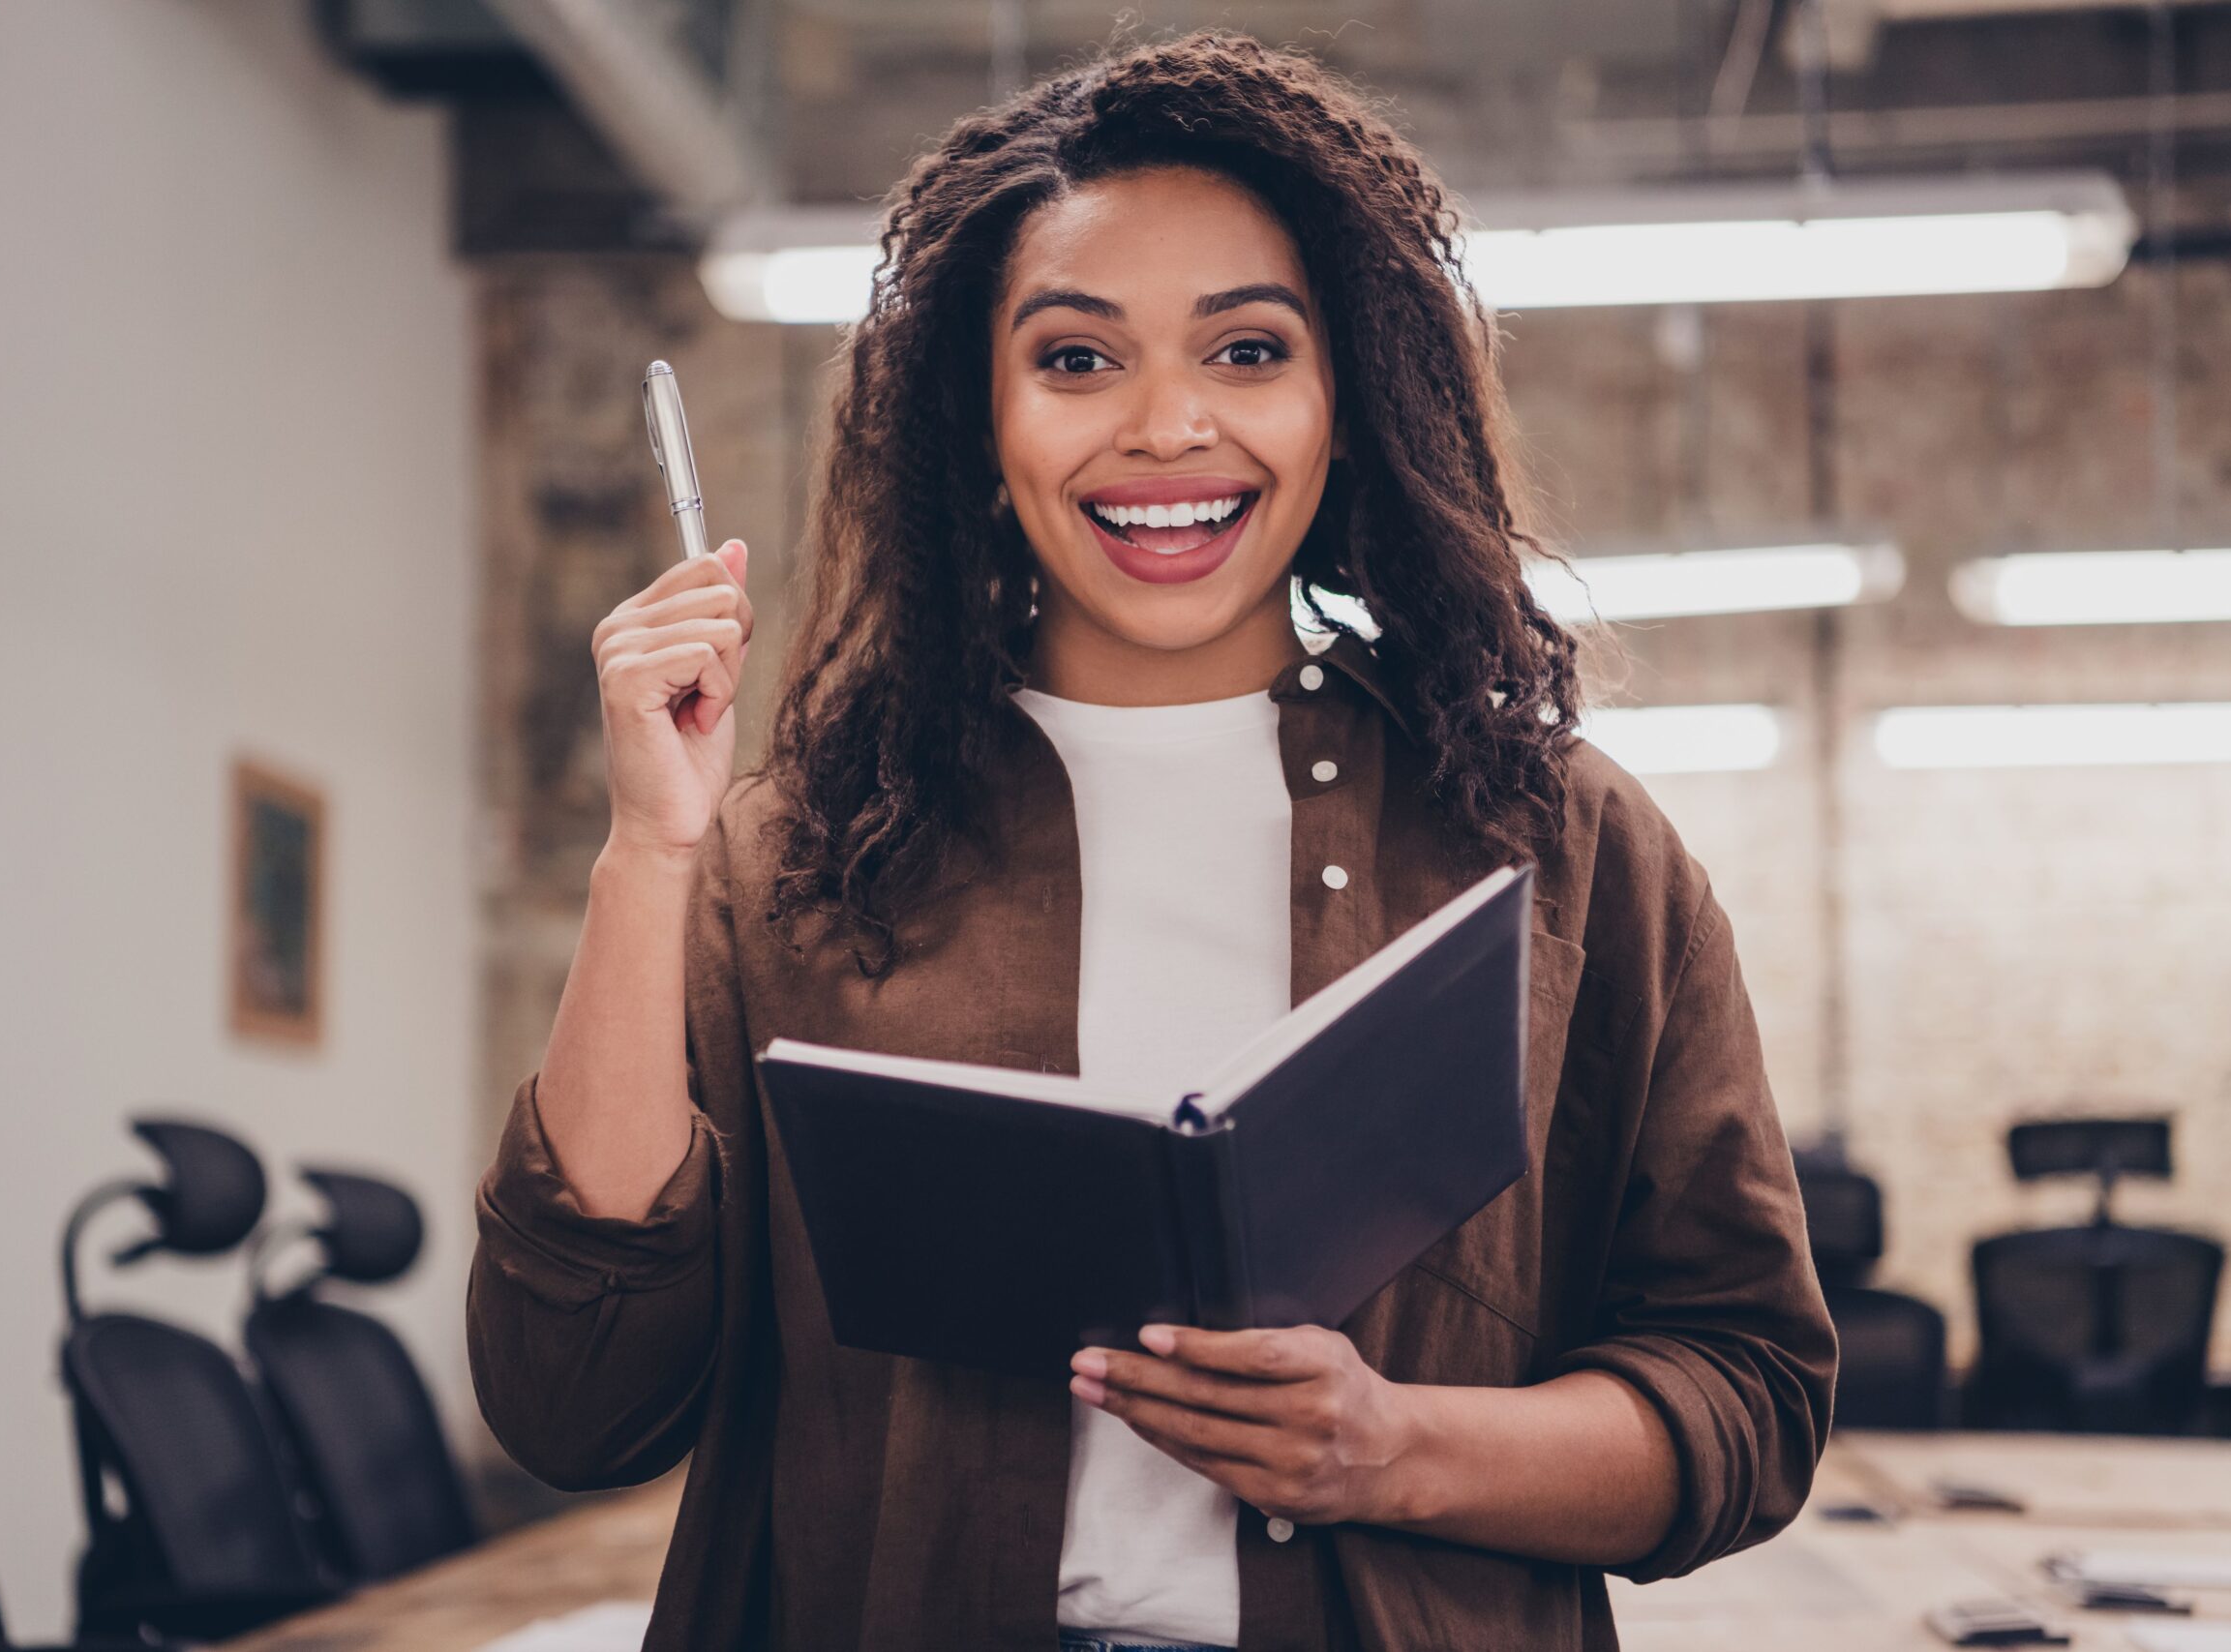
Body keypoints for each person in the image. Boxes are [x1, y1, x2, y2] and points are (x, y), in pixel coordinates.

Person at [467, 29, 1835, 1652]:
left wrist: (1395, 1453)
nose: (1170, 427)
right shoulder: (802, 857)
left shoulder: (1558, 848)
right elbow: (573, 1403)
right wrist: (648, 855)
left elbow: (1747, 1393)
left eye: (1249, 351)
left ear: (1350, 398)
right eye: (1077, 359)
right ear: (978, 421)